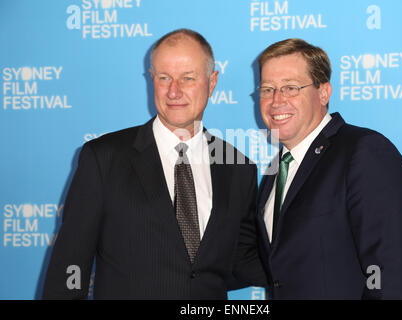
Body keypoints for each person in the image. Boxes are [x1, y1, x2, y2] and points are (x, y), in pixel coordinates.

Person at [43, 29, 267, 299]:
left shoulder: (239, 168)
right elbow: (70, 264)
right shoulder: (103, 158)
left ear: (212, 82)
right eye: (164, 78)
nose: (174, 91)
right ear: (152, 79)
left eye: (188, 78)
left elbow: (241, 261)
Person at [255, 38, 402, 299]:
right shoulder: (277, 170)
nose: (276, 100)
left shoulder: (364, 153)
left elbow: (390, 277)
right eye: (267, 89)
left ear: (323, 92)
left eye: (291, 88)